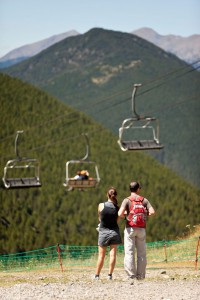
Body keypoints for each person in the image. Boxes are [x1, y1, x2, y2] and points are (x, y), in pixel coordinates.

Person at [118, 181, 155, 280]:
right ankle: (141, 275)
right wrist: (144, 214)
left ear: (130, 189)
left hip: (130, 228)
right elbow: (152, 212)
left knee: (129, 252)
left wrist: (126, 215)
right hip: (141, 229)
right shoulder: (144, 200)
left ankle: (131, 275)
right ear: (138, 189)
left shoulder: (127, 200)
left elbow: (120, 214)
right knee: (141, 253)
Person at [94, 187, 122, 280]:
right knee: (113, 255)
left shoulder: (101, 205)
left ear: (107, 195)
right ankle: (109, 275)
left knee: (101, 256)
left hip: (103, 232)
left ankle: (97, 276)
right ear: (115, 195)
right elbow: (117, 221)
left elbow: (100, 218)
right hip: (114, 232)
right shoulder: (118, 208)